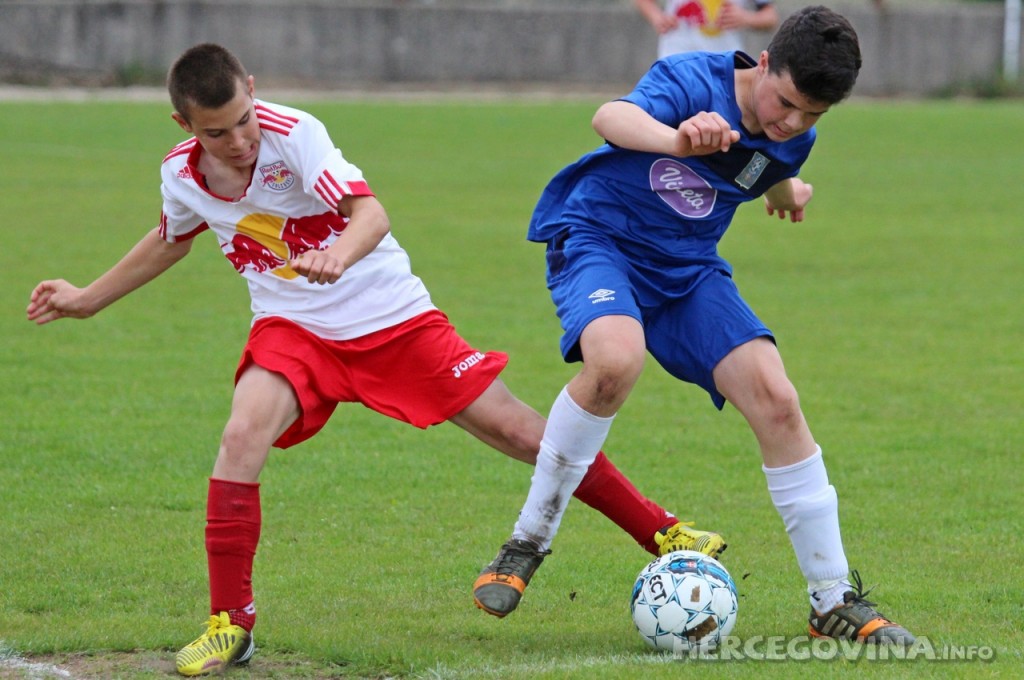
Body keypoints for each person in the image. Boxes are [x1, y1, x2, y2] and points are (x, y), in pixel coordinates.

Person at [25, 44, 727, 677]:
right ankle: (229, 623)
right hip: (293, 329)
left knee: (522, 433)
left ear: (252, 89)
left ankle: (660, 529)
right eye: (217, 131)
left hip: (394, 320)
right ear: (185, 128)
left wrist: (338, 253)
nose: (239, 140)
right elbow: (169, 239)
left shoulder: (294, 135)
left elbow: (371, 215)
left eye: (244, 119)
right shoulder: (181, 176)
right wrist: (88, 298)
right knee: (241, 437)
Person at [473, 5, 916, 646]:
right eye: (786, 101)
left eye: (812, 115)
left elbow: (773, 168)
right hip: (601, 241)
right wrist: (677, 138)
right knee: (615, 361)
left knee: (778, 399)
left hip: (687, 271)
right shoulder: (691, 79)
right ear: (762, 62)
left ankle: (832, 600)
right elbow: (610, 118)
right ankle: (526, 542)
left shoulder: (794, 136)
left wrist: (789, 195)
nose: (790, 121)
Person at [633, 0, 779, 59]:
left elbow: (770, 17)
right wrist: (656, 16)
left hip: (724, 62)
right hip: (677, 57)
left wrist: (746, 18)